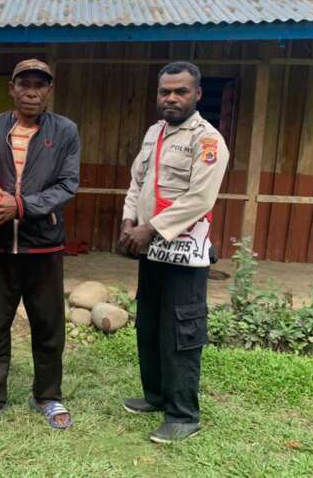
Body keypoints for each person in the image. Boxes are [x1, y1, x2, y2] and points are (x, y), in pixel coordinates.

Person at [0, 59, 80, 432]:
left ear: (49, 91)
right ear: (11, 89)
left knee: (48, 326)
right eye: (24, 84)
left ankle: (47, 395)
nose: (31, 92)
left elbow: (67, 185)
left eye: (39, 85)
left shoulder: (65, 131)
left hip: (44, 247)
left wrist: (21, 206)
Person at [119, 61, 229, 444]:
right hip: (150, 250)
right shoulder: (154, 133)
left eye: (180, 91)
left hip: (184, 253)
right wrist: (129, 221)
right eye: (164, 91)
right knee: (149, 325)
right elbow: (137, 182)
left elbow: (200, 198)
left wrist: (149, 229)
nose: (171, 98)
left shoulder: (208, 140)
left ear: (197, 94)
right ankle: (156, 396)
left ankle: (183, 416)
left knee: (182, 332)